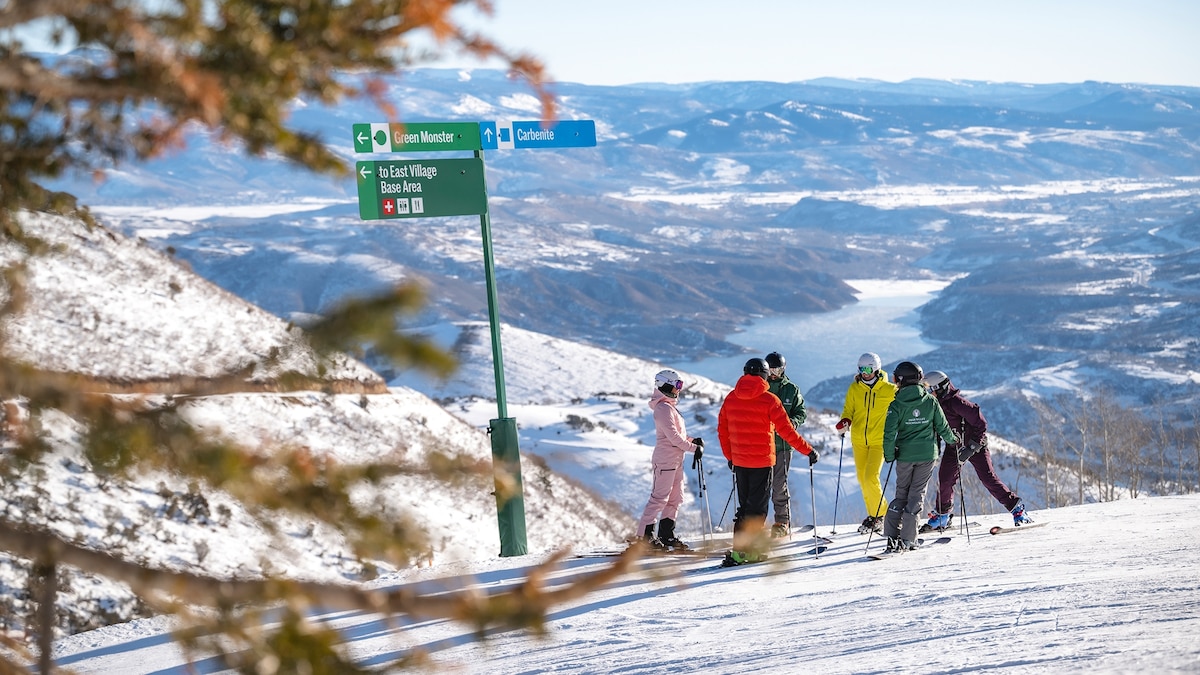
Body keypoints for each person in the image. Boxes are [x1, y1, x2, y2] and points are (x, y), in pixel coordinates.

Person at [718, 358, 819, 566]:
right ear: (764, 375)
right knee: (757, 510)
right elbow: (787, 432)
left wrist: (730, 457)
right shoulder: (769, 400)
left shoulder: (730, 398)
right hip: (761, 463)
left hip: (740, 463)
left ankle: (740, 550)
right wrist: (808, 450)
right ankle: (749, 552)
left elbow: (722, 431)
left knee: (745, 507)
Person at [922, 371, 1033, 530]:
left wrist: (972, 447)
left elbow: (981, 423)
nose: (928, 392)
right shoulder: (935, 405)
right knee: (945, 479)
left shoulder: (956, 403)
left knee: (988, 478)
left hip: (976, 446)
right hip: (954, 447)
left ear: (939, 387)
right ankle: (942, 516)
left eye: (930, 388)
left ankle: (1017, 509)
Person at [880, 361, 958, 553]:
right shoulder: (930, 401)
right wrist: (953, 441)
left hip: (905, 456)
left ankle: (892, 536)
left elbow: (889, 433)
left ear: (901, 380)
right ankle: (908, 539)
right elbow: (943, 427)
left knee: (901, 494)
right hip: (927, 456)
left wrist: (889, 455)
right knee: (916, 496)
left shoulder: (896, 405)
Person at [635, 369, 705, 551]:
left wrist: (692, 441)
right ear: (666, 384)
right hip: (666, 460)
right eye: (677, 385)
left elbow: (678, 435)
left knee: (676, 498)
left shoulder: (669, 407)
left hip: (675, 460)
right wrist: (694, 448)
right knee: (659, 498)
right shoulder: (663, 408)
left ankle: (666, 534)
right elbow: (673, 438)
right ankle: (644, 537)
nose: (679, 390)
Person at [836, 352, 897, 534]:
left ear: (876, 369)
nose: (865, 373)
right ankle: (873, 515)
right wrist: (845, 421)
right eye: (861, 369)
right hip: (859, 441)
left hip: (879, 441)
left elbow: (906, 402)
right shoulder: (855, 389)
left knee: (871, 477)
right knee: (862, 480)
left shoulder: (889, 389)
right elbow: (849, 409)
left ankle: (882, 514)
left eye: (868, 369)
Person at [764, 351, 807, 538]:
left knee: (779, 484)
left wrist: (792, 423)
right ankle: (755, 524)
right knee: (760, 486)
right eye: (770, 369)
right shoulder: (760, 387)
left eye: (777, 369)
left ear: (783, 369)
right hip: (762, 445)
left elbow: (801, 412)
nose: (774, 373)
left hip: (782, 445)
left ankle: (782, 521)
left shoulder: (790, 389)